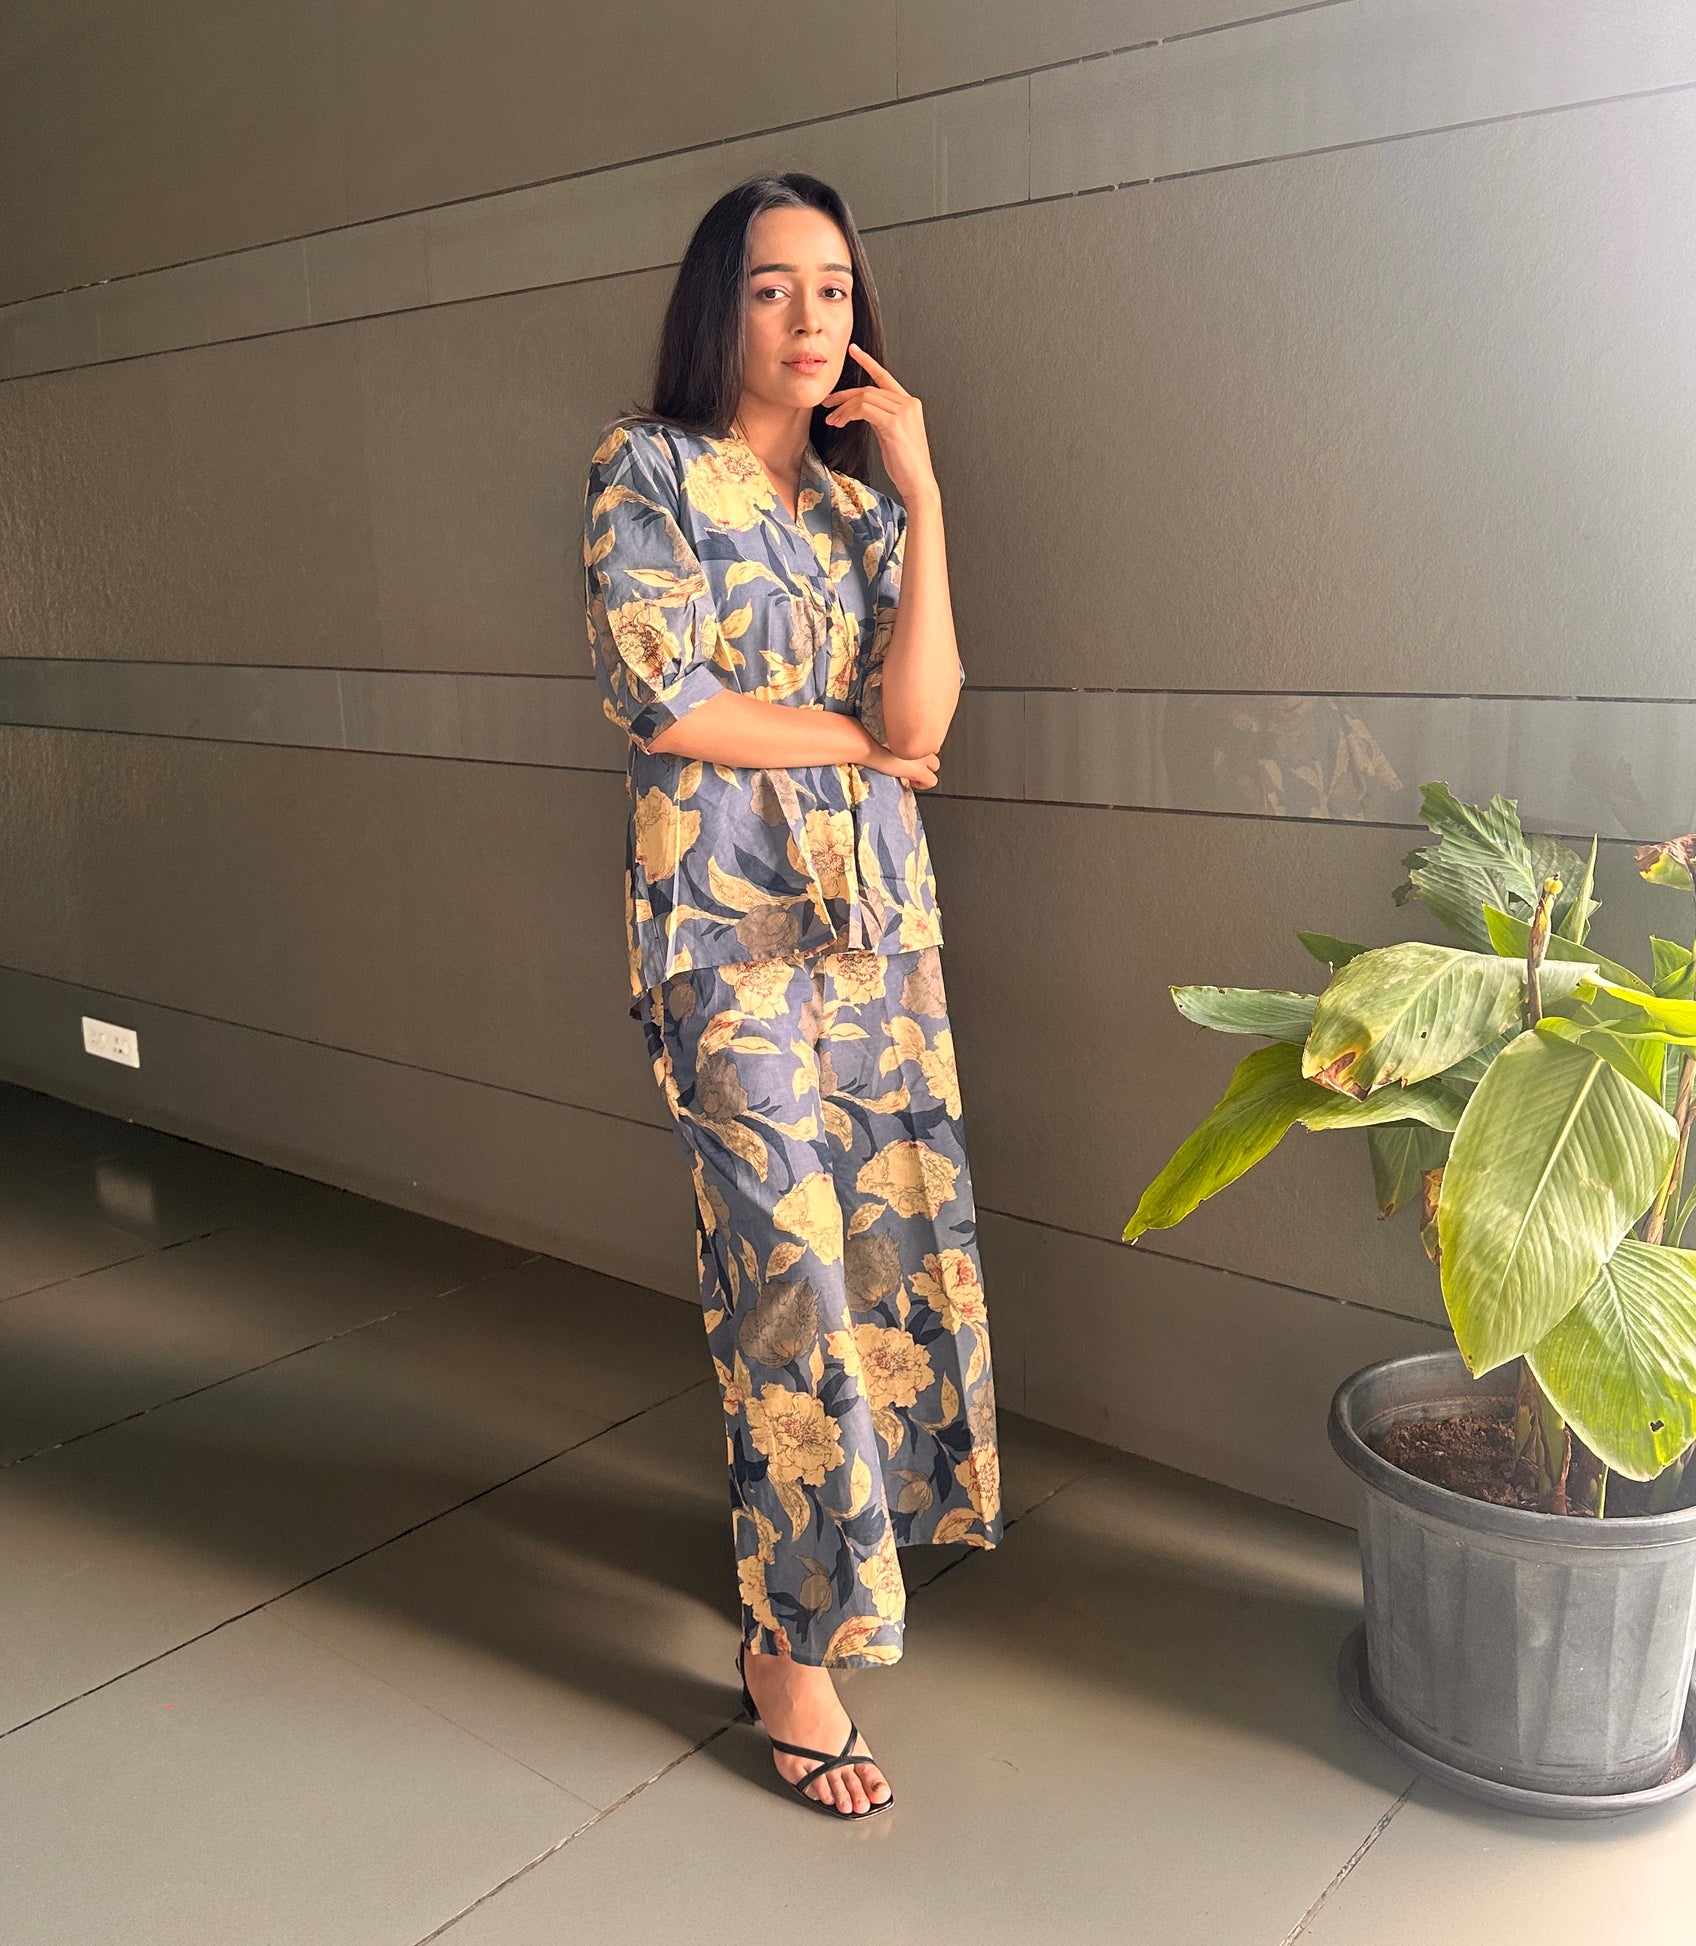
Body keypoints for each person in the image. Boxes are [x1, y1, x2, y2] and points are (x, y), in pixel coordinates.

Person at [580, 171, 1002, 1820]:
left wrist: (925, 489)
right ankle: (790, 1645)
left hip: (877, 927)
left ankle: (837, 1562)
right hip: (722, 931)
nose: (810, 316)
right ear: (721, 305)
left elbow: (926, 717)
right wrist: (846, 739)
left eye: (831, 286)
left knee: (890, 1250)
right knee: (784, 1268)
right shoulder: (645, 470)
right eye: (772, 287)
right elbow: (665, 698)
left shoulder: (860, 509)